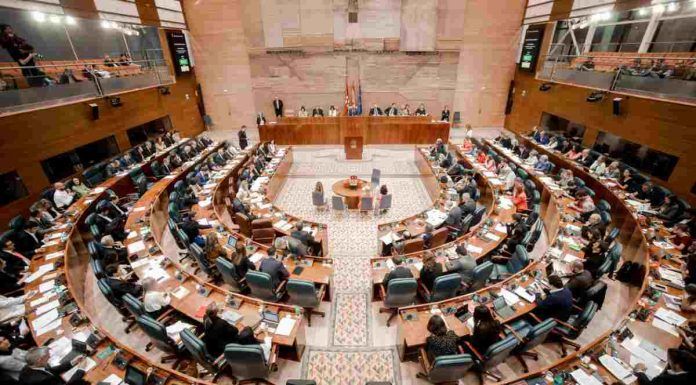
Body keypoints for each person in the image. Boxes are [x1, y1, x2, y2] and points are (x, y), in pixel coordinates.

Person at [19, 346, 89, 385]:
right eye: (47, 356)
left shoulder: (30, 366)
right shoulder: (42, 380)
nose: (49, 357)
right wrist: (81, 369)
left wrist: (73, 361)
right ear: (40, 360)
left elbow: (52, 370)